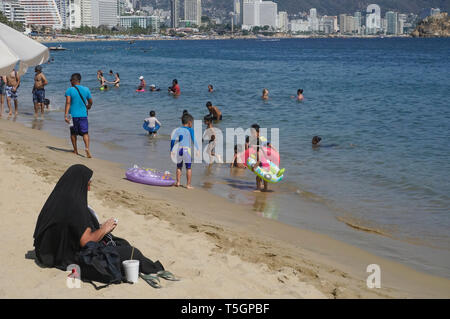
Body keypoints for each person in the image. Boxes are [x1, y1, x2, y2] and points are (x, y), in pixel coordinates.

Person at [33, 164, 169, 281]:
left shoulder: (57, 201)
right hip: (72, 257)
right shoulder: (76, 207)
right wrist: (104, 228)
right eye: (88, 184)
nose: (89, 188)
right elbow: (86, 242)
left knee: (120, 243)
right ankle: (155, 271)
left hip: (54, 252)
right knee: (132, 252)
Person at [64, 73, 93, 158]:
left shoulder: (69, 90)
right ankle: (87, 148)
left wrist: (65, 115)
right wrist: (88, 106)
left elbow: (68, 103)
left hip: (71, 115)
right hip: (83, 115)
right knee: (85, 133)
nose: (70, 81)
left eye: (70, 80)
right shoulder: (86, 89)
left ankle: (75, 150)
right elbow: (91, 101)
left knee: (73, 133)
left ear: (74, 80)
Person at [170, 113, 199, 189]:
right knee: (188, 168)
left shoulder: (178, 130)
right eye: (192, 122)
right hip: (187, 150)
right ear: (189, 122)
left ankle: (178, 182)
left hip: (179, 149)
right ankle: (188, 185)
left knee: (179, 167)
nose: (192, 124)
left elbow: (173, 140)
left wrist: (171, 149)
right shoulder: (190, 130)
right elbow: (194, 139)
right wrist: (197, 149)